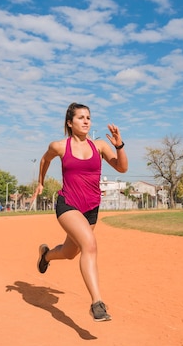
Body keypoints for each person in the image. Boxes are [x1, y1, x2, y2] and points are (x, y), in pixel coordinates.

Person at [31, 102, 128, 321]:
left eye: (88, 118)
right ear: (69, 123)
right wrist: (40, 182)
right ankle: (97, 303)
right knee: (90, 245)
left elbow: (122, 168)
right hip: (68, 204)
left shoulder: (100, 146)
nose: (86, 121)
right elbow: (45, 159)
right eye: (81, 118)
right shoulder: (60, 146)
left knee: (69, 252)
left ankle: (46, 255)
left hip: (91, 208)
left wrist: (119, 145)